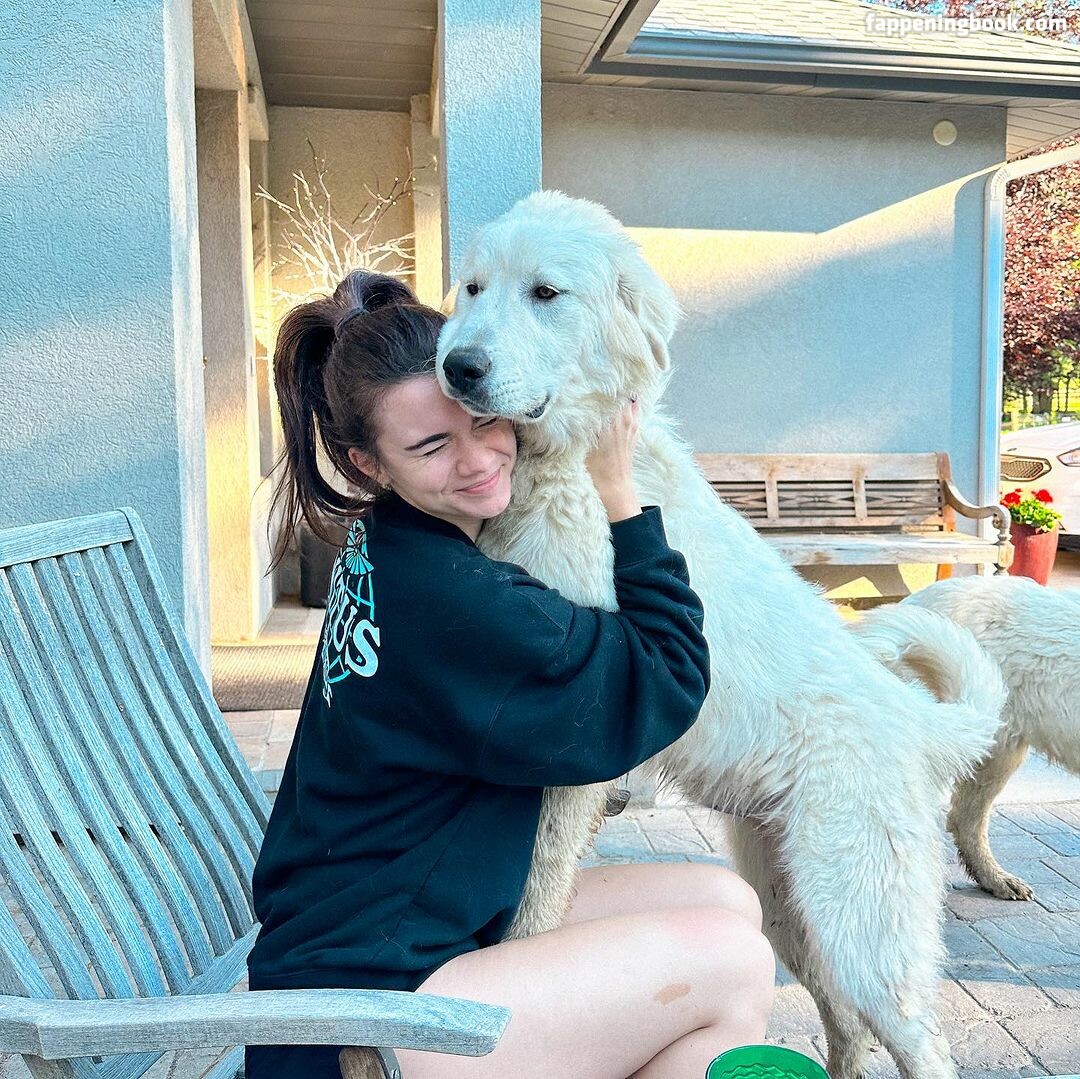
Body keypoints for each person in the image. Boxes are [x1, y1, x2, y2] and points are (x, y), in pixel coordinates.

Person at [246, 269, 775, 1079]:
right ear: (367, 462)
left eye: (485, 420)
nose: (478, 459)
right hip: (363, 1012)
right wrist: (620, 490)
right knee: (730, 960)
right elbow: (664, 674)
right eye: (432, 446)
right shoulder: (456, 599)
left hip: (399, 924)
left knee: (728, 900)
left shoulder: (392, 543)